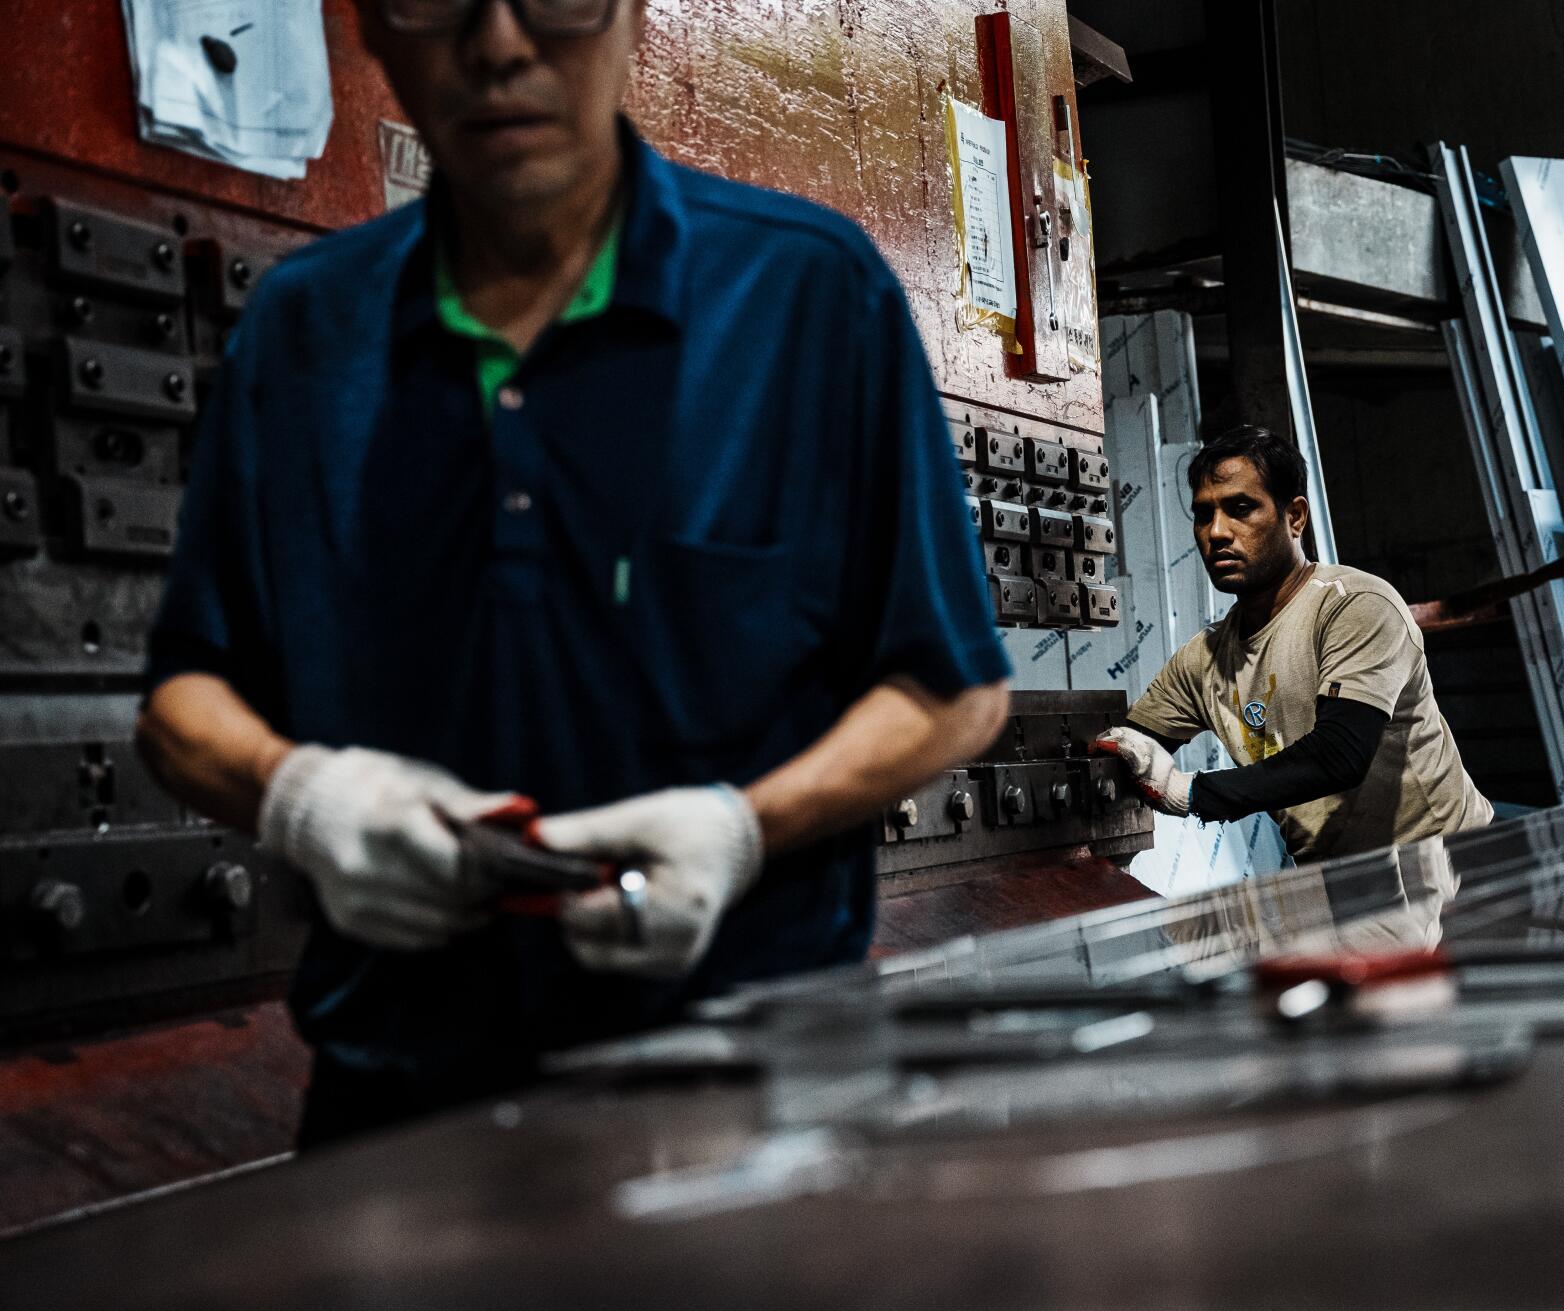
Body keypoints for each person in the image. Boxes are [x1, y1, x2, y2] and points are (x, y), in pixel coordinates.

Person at [135, 0, 1009, 1146]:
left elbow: (951, 686)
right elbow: (182, 702)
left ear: (635, 14)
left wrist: (736, 826)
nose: (499, 42)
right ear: (370, 31)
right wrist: (305, 796)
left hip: (750, 1100)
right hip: (398, 1115)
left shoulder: (806, 299)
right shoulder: (305, 332)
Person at [1094, 426, 1492, 862]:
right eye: (1203, 515)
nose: (1217, 532)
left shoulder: (1356, 606)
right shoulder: (1204, 659)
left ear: (1295, 517)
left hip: (1452, 866)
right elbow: (1125, 751)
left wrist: (1187, 791)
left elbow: (1340, 754)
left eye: (1241, 509)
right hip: (1345, 884)